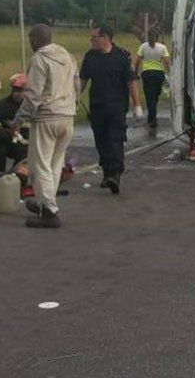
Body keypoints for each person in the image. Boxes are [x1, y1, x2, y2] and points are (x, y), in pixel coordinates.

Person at [13, 25, 79, 229]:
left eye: (30, 39)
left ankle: (49, 210)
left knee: (40, 165)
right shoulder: (67, 56)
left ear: (35, 39)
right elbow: (76, 85)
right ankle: (45, 202)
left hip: (46, 118)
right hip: (67, 116)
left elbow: (33, 95)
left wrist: (18, 119)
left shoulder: (40, 59)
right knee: (55, 164)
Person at [80, 24, 143, 194]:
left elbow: (131, 81)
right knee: (101, 141)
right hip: (97, 106)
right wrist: (73, 98)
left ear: (105, 38)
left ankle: (115, 174)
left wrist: (137, 104)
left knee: (115, 139)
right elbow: (83, 80)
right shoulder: (90, 57)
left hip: (116, 107)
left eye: (94, 37)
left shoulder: (122, 56)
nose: (91, 41)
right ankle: (107, 173)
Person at [0, 73, 29, 172]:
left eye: (20, 90)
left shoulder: (32, 107)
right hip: (6, 139)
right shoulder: (1, 105)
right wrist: (0, 132)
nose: (17, 93)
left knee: (26, 159)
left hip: (26, 143)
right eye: (15, 89)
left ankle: (20, 175)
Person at [134, 31, 171, 129]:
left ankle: (152, 117)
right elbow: (167, 62)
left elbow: (137, 61)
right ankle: (152, 117)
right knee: (155, 95)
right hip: (159, 74)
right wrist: (170, 73)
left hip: (147, 74)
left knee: (149, 96)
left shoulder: (143, 46)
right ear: (157, 37)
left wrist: (135, 73)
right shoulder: (163, 47)